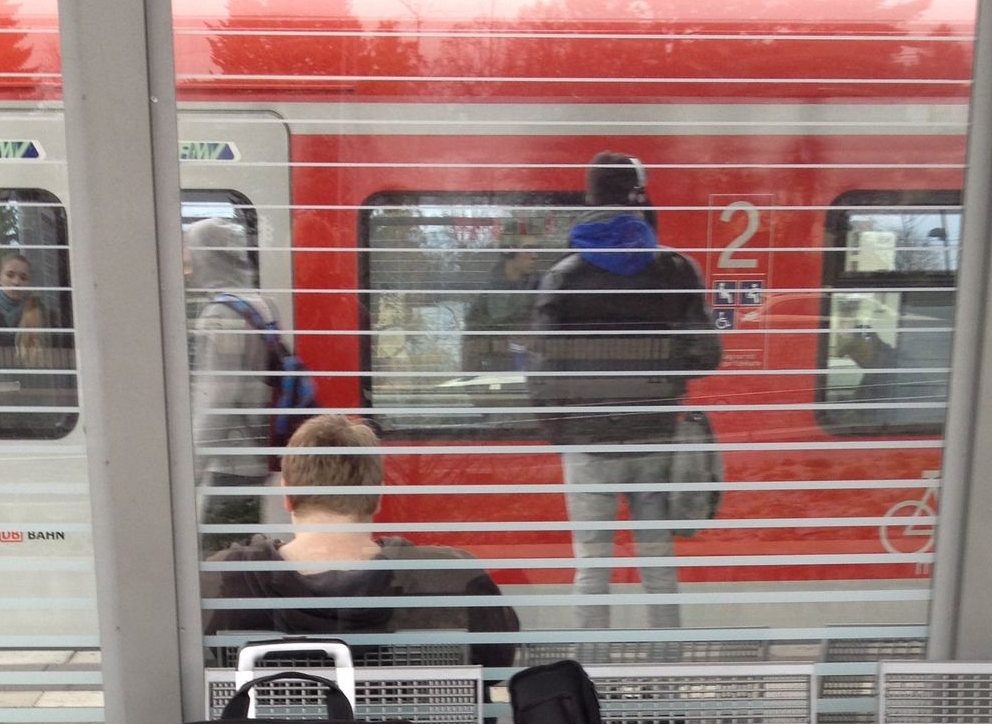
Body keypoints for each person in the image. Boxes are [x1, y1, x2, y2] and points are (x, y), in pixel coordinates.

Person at [530, 151, 722, 643]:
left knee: (592, 569)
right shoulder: (676, 270)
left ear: (591, 201)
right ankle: (668, 683)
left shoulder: (564, 277)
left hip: (589, 448)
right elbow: (706, 356)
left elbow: (542, 373)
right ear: (638, 200)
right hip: (655, 438)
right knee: (657, 564)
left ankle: (589, 689)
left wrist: (566, 432)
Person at [201, 412, 519, 669]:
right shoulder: (454, 578)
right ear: (377, 495)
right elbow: (494, 667)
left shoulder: (222, 583)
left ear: (287, 494)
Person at [183, 217, 276, 548]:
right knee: (241, 558)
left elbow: (216, 398)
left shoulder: (222, 314)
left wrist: (188, 469)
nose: (188, 272)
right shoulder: (258, 304)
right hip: (255, 452)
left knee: (220, 566)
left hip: (233, 460)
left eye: (191, 260)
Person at [464, 230, 541, 374]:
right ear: (509, 252)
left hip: (535, 372)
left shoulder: (542, 289)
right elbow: (471, 342)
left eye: (537, 250)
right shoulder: (486, 295)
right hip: (497, 374)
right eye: (528, 250)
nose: (535, 256)